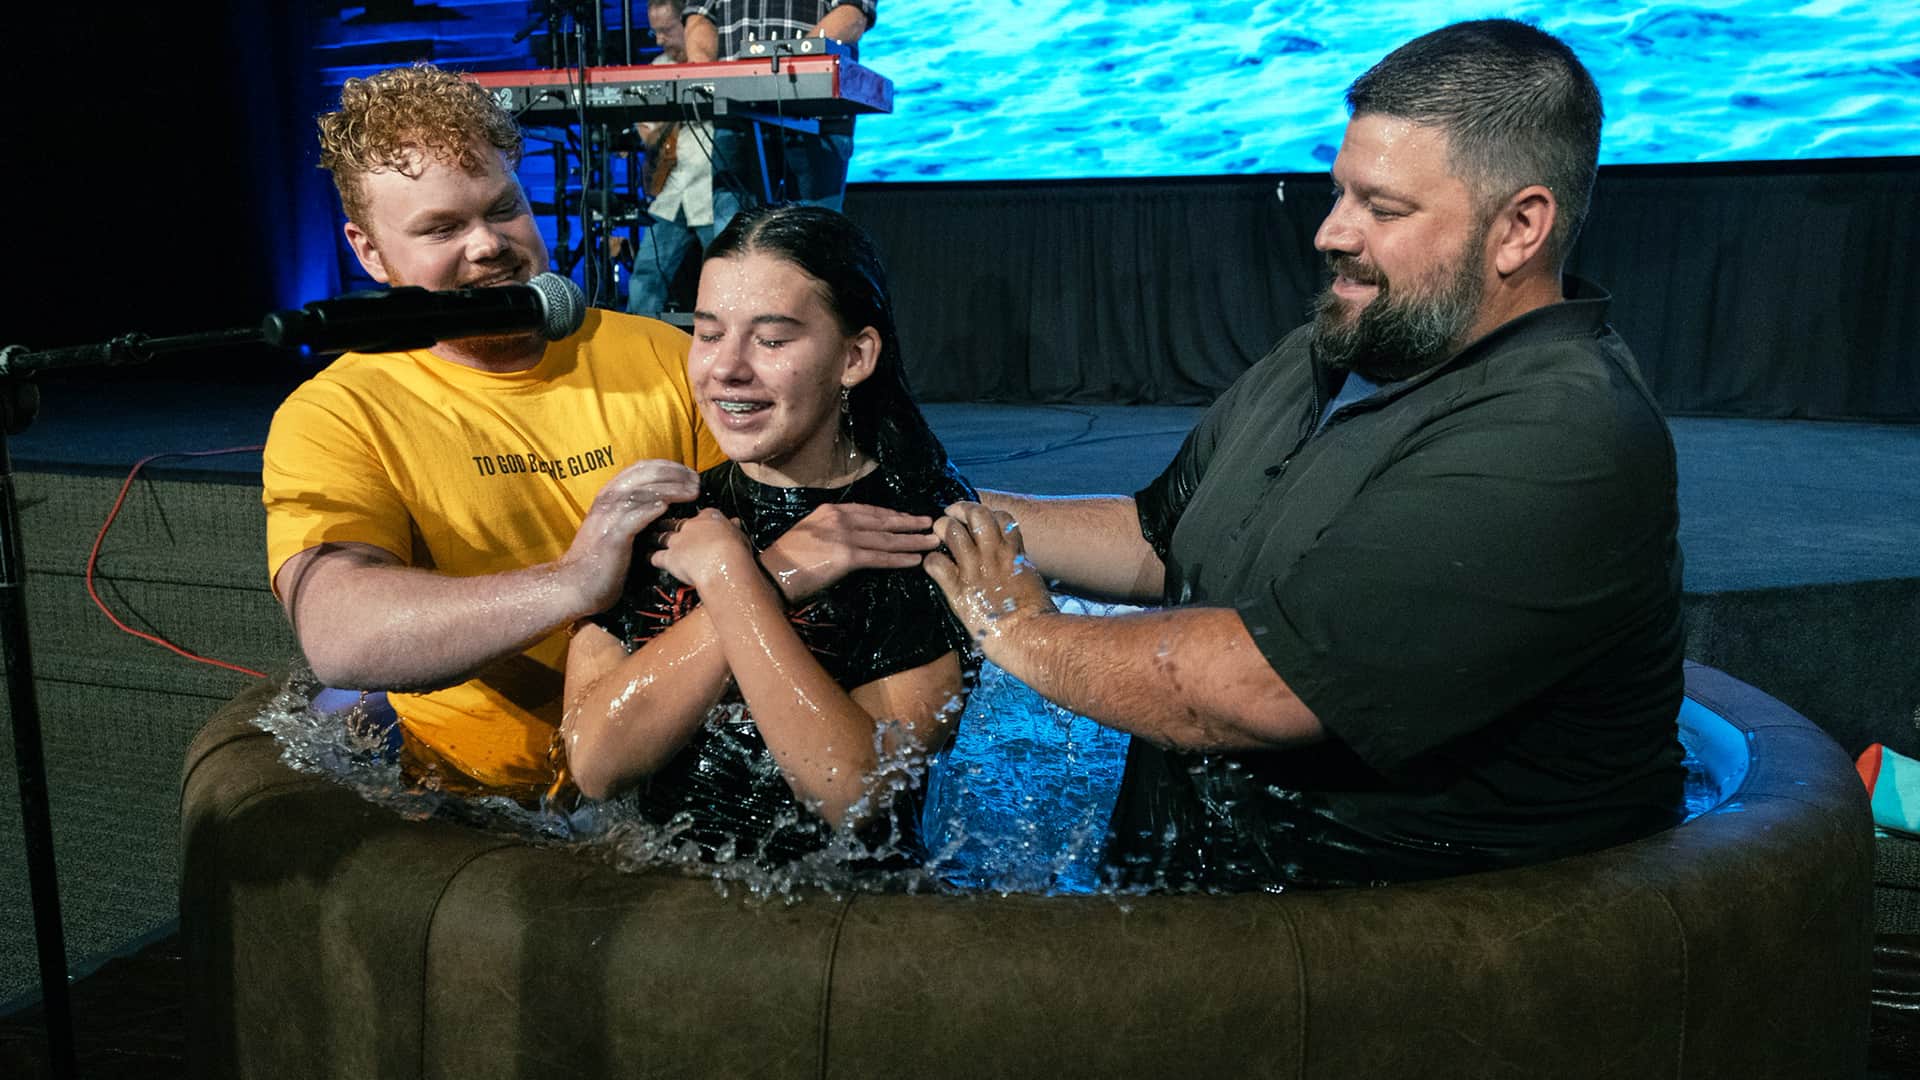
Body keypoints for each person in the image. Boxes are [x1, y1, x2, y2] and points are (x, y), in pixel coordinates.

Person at [924, 20, 1687, 891]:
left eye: (1382, 209)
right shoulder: (1339, 343)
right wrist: (939, 510)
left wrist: (1022, 630)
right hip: (1204, 899)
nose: (1331, 233)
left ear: (1519, 228)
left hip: (1400, 928)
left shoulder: (1564, 433)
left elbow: (1269, 688)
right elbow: (1161, 537)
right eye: (1338, 194)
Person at [264, 65, 921, 806]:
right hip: (489, 806)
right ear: (368, 251)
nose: (488, 246)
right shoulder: (338, 413)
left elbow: (817, 517)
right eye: (443, 229)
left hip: (684, 782)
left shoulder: (666, 355)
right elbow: (340, 636)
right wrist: (575, 581)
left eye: (504, 209)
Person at [563, 204, 972, 864]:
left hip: (839, 912)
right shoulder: (660, 514)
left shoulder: (917, 529)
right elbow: (595, 764)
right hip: (664, 897)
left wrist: (730, 576)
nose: (726, 368)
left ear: (855, 356)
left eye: (772, 341)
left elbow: (856, 796)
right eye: (707, 333)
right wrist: (776, 573)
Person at [682, 0, 873, 232]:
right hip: (736, 116)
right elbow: (699, 16)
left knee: (814, 238)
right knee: (733, 236)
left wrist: (792, 64)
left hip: (817, 116)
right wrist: (708, 77)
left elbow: (852, 13)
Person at [625, 0, 719, 318]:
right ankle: (638, 339)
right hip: (673, 191)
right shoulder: (658, 67)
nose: (660, 39)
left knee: (725, 274)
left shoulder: (718, 61)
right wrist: (673, 105)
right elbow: (648, 136)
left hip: (712, 190)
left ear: (688, 24)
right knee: (646, 275)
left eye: (667, 30)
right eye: (655, 32)